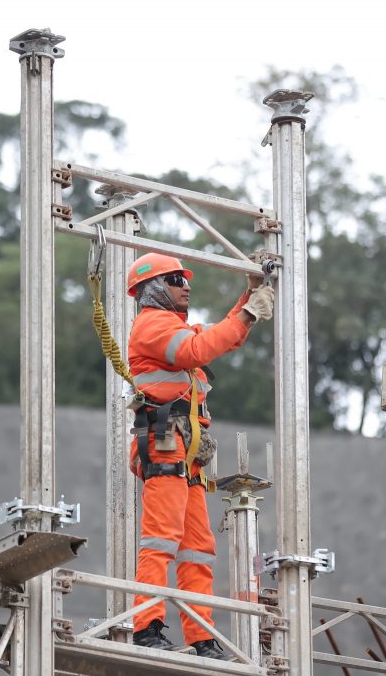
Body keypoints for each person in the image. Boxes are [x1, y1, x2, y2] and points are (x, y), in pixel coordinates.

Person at [124, 252, 275, 659]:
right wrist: (247, 311)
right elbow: (199, 350)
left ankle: (201, 634)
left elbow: (224, 335)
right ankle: (147, 626)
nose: (186, 284)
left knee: (197, 549)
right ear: (154, 288)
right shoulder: (152, 325)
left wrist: (250, 296)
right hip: (165, 444)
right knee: (161, 540)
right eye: (176, 278)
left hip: (184, 454)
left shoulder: (172, 326)